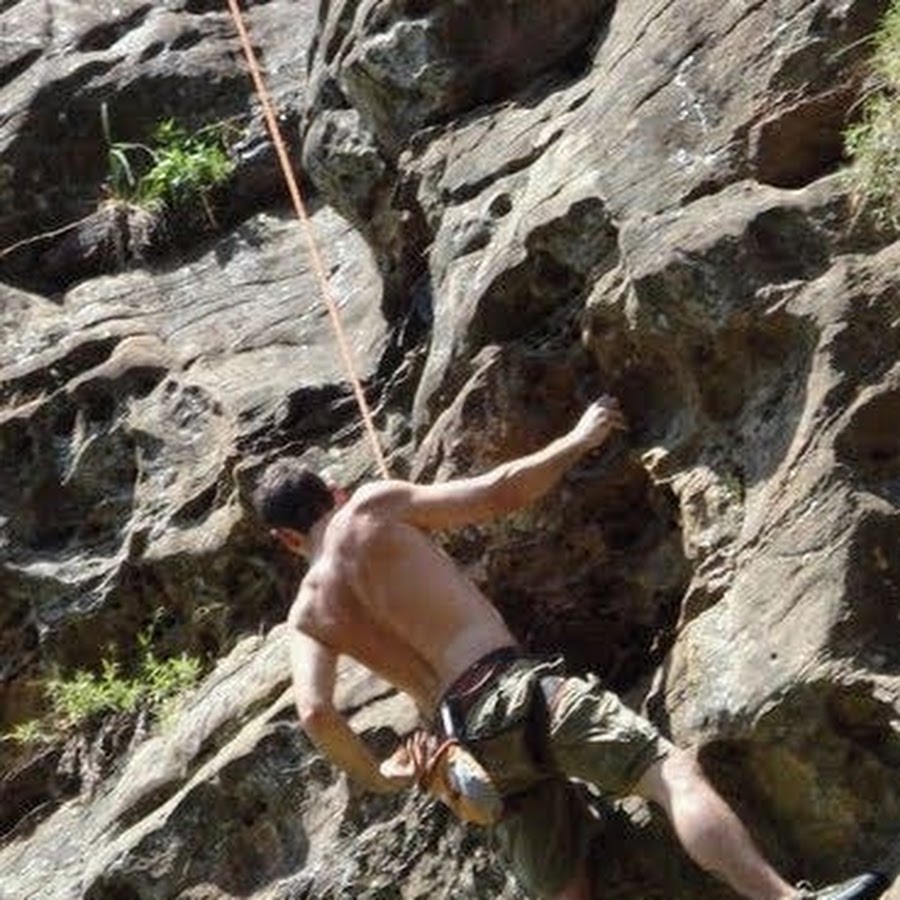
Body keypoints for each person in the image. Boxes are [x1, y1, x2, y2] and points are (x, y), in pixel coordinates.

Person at [251, 397, 887, 900]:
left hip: (462, 744)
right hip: (511, 689)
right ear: (333, 491)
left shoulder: (306, 616)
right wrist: (578, 439)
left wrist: (381, 777)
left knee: (561, 890)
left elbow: (316, 713)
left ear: (285, 539)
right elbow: (498, 491)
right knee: (668, 772)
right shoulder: (371, 506)